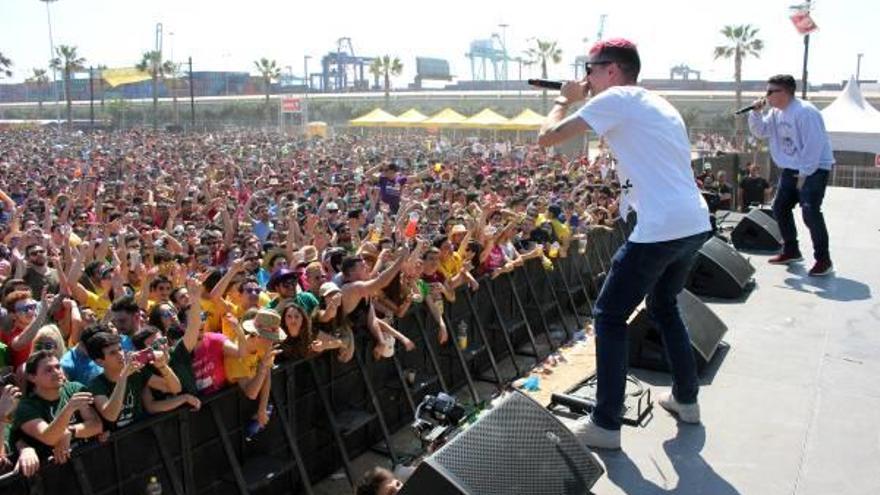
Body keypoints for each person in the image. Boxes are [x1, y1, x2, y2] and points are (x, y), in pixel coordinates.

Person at [538, 38, 711, 449]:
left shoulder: (615, 98)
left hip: (661, 226)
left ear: (611, 70)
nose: (586, 78)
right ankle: (686, 399)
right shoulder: (658, 102)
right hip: (693, 220)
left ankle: (606, 423)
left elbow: (548, 138)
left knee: (609, 315)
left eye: (590, 69)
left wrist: (564, 100)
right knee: (664, 306)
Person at [747, 74, 835, 276]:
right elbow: (761, 132)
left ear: (784, 92)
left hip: (814, 168)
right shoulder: (777, 113)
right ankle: (791, 249)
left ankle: (824, 260)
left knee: (810, 212)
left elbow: (814, 145)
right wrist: (756, 114)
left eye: (770, 91)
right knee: (780, 207)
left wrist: (804, 174)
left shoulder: (805, 112)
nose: (766, 95)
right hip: (791, 168)